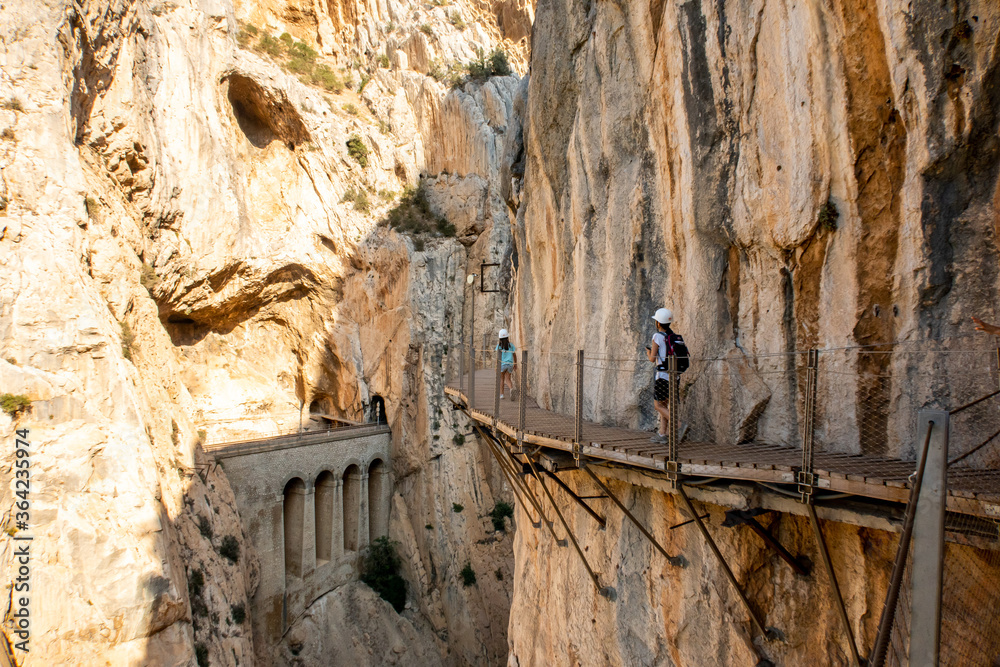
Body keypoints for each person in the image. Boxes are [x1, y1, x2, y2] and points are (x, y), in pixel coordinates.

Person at [646, 308, 680, 444]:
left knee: (657, 405)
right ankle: (662, 434)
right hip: (674, 376)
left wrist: (648, 353)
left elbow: (652, 359)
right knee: (664, 405)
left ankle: (678, 424)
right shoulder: (674, 337)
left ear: (658, 323)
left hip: (662, 377)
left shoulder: (657, 337)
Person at [496, 329, 517, 400]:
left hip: (502, 365)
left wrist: (496, 366)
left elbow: (498, 357)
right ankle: (511, 388)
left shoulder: (499, 346)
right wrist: (515, 364)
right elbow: (514, 355)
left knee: (501, 379)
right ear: (507, 337)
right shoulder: (511, 346)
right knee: (508, 379)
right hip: (510, 364)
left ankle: (502, 395)